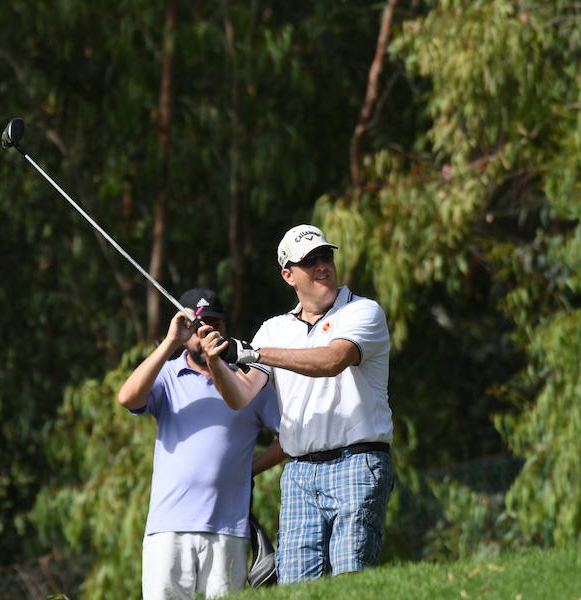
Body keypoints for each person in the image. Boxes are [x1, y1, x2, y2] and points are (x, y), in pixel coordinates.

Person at [198, 224, 394, 584]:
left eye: (325, 256)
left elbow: (332, 360)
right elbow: (240, 395)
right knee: (296, 586)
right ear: (288, 274)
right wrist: (215, 360)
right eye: (309, 261)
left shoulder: (363, 311)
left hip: (357, 461)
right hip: (300, 475)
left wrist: (253, 353)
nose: (322, 266)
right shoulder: (274, 328)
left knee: (351, 580)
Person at [117, 288, 286, 600]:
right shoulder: (167, 375)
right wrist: (170, 342)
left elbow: (289, 439)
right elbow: (128, 397)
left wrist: (249, 468)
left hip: (227, 529)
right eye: (197, 324)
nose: (206, 331)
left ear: (224, 329)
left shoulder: (248, 381)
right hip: (168, 527)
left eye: (214, 324)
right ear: (185, 328)